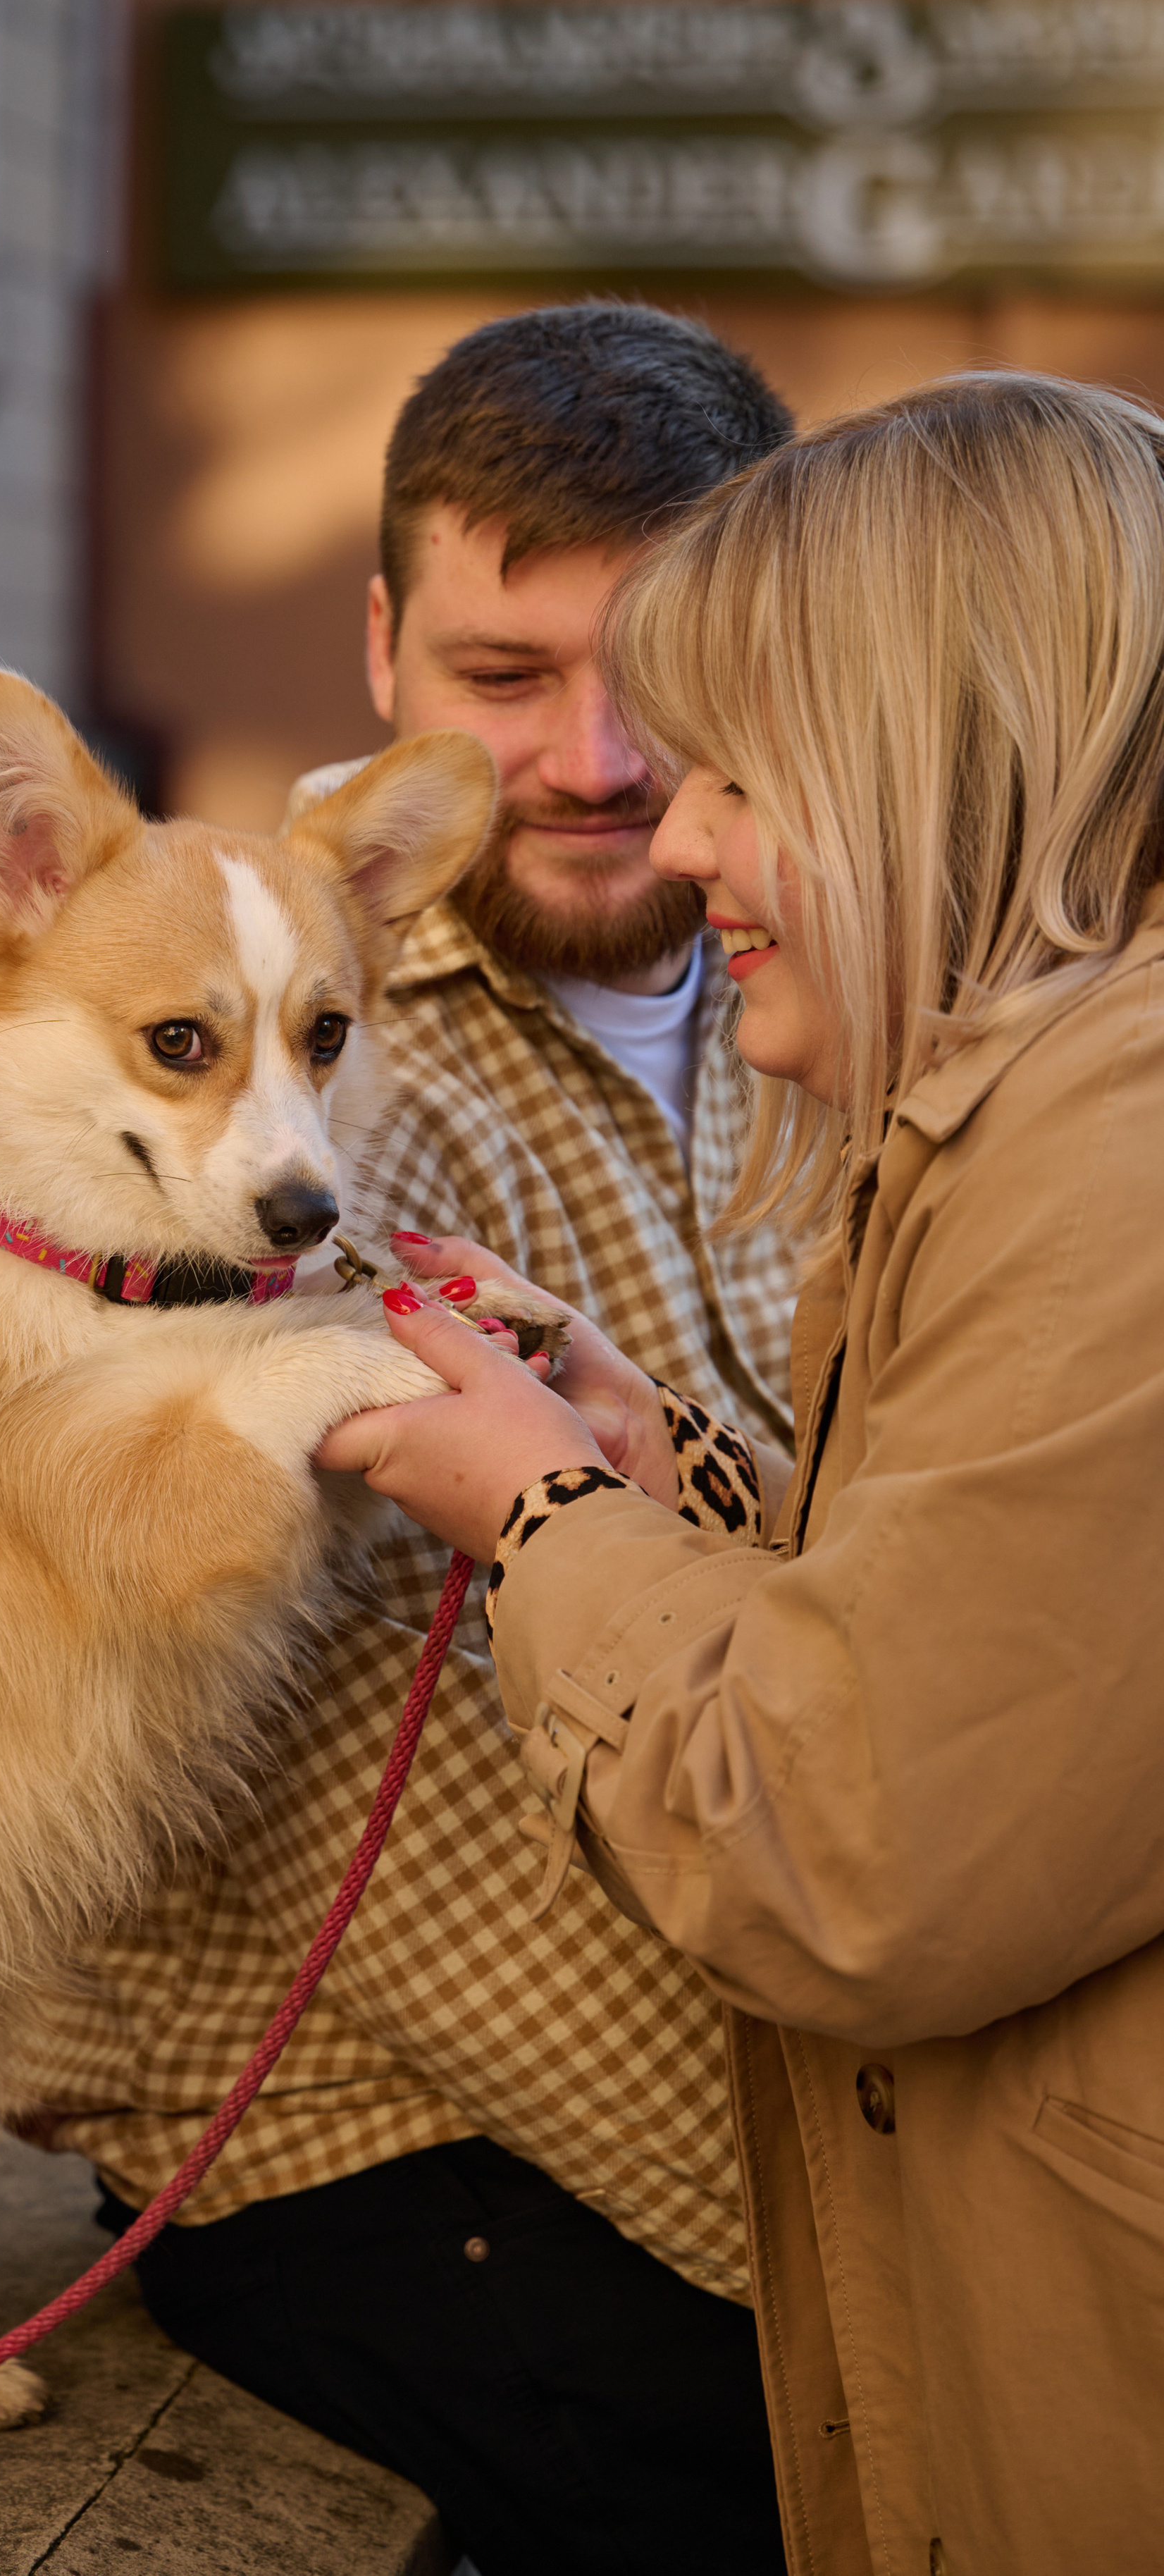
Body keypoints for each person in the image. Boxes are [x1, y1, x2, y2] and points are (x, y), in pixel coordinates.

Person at [321, 370, 1164, 2576]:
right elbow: (1007, 1622)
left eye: (733, 761)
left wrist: (546, 1518)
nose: (655, 819)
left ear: (940, 748)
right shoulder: (992, 1044)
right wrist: (655, 1463)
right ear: (383, 644)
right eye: (517, 681)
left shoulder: (1106, 1135)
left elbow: (858, 1831)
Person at [2, 303, 800, 2576]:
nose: (598, 756)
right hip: (357, 2121)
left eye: (667, 668)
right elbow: (451, 1891)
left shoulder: (809, 991)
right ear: (379, 650)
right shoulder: (287, 1105)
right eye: (505, 676)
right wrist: (893, 2221)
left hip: (785, 1913)